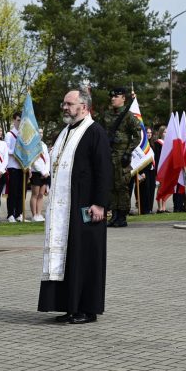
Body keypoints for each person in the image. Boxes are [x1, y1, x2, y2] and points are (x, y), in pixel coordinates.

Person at [38, 88, 111, 325]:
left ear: (84, 106)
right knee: (69, 258)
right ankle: (69, 305)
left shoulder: (95, 132)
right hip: (63, 209)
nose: (65, 107)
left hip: (86, 208)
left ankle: (86, 309)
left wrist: (100, 204)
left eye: (69, 104)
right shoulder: (66, 132)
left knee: (85, 257)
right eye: (64, 103)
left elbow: (103, 171)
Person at [104, 87, 141, 227]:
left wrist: (128, 152)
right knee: (111, 186)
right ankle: (114, 215)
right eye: (111, 97)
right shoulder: (106, 115)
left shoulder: (128, 116)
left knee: (122, 187)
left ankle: (122, 216)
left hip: (122, 157)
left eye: (116, 96)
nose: (113, 99)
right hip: (109, 155)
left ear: (123, 98)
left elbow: (138, 135)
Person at [4, 112, 23, 222]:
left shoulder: (23, 134)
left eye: (21, 120)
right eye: (18, 120)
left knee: (21, 192)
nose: (20, 122)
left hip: (21, 167)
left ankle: (19, 213)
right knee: (12, 192)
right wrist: (17, 152)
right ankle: (10, 214)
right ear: (14, 121)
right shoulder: (9, 134)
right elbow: (6, 150)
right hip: (13, 166)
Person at [29, 129, 50, 222]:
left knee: (41, 194)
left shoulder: (44, 145)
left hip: (45, 173)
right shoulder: (33, 145)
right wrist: (42, 171)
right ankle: (34, 215)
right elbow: (34, 161)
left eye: (42, 132)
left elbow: (47, 159)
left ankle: (39, 213)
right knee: (35, 194)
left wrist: (47, 171)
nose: (40, 134)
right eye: (39, 132)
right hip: (37, 172)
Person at [138, 127, 156, 214]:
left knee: (151, 189)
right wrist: (141, 172)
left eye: (150, 133)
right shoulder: (141, 144)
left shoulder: (153, 144)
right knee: (145, 190)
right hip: (144, 171)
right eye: (147, 132)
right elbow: (139, 159)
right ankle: (144, 209)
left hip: (152, 170)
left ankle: (149, 208)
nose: (149, 134)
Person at [152, 125, 169, 213]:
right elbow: (157, 157)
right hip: (160, 167)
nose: (166, 133)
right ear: (161, 133)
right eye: (165, 132)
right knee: (160, 187)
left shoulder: (168, 143)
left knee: (165, 187)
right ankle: (159, 207)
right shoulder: (157, 143)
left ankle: (164, 206)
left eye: (167, 132)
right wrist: (158, 169)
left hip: (167, 167)